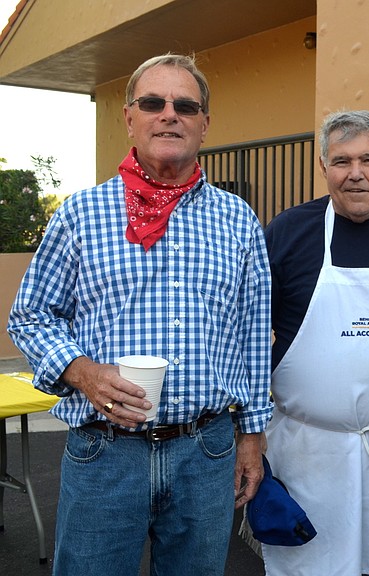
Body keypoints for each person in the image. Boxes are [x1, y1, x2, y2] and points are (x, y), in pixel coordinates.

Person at [7, 54, 272, 576]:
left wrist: (253, 437)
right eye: (153, 103)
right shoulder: (81, 214)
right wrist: (83, 372)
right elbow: (31, 315)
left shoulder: (238, 220)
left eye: (185, 105)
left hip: (207, 452)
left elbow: (251, 337)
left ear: (204, 124)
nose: (169, 114)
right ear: (129, 118)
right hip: (105, 452)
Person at [262, 110, 369, 575]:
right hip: (308, 454)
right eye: (341, 161)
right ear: (323, 168)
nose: (356, 174)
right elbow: (250, 331)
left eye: (368, 160)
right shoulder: (288, 232)